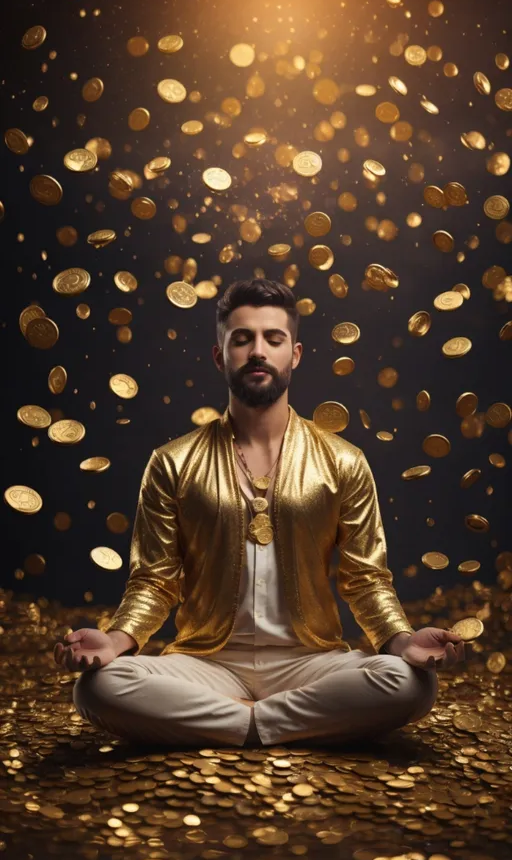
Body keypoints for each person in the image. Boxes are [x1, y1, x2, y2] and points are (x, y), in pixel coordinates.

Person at [54, 278, 472, 748]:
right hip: (205, 664)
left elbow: (366, 579)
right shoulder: (172, 462)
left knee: (411, 683)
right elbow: (155, 580)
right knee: (98, 687)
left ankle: (239, 725)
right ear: (220, 356)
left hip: (311, 661)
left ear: (294, 354)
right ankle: (267, 726)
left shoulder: (343, 461)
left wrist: (401, 640)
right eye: (242, 339)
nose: (258, 351)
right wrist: (115, 641)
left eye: (273, 339)